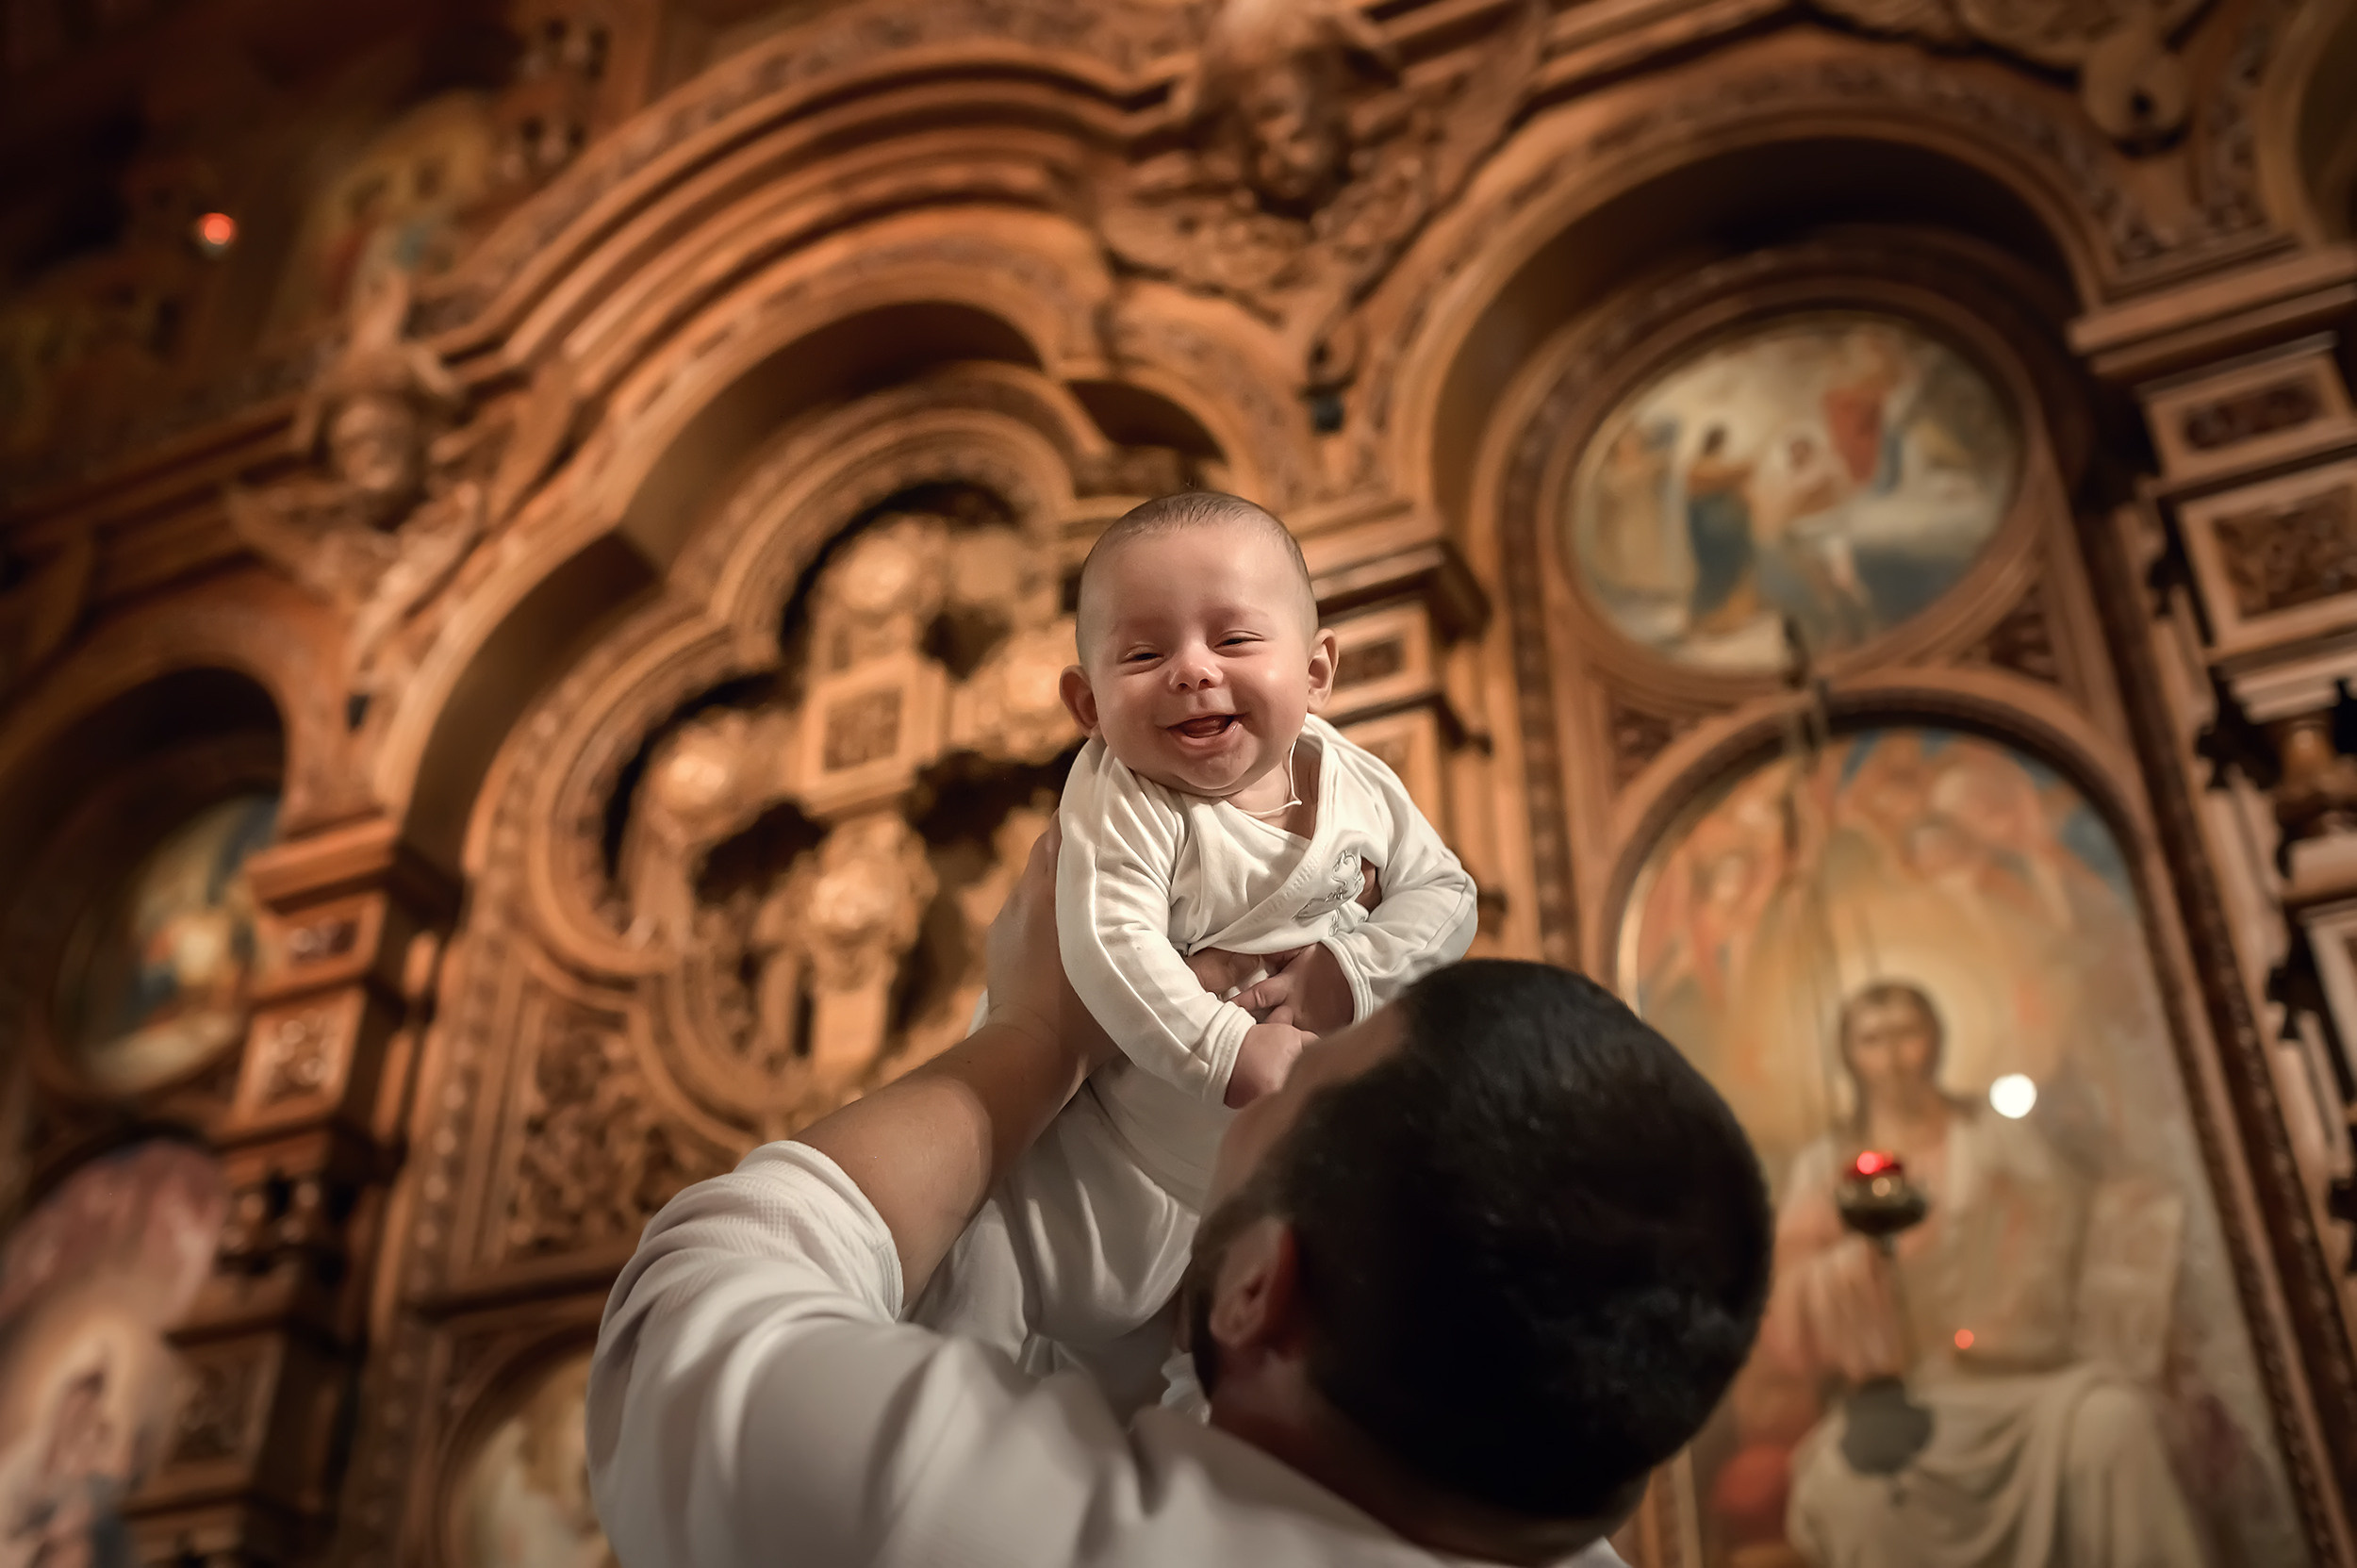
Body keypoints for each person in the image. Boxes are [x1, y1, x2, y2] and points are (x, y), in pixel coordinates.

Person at [586, 821, 1774, 1566]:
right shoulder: (1505, 1478)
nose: (1255, 1057)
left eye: (1288, 1091)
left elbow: (681, 1333)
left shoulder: (1010, 1527)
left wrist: (1033, 1035)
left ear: (1262, 1286)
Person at [913, 491, 1477, 1403]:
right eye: (1144, 654)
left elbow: (1447, 896)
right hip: (1108, 1144)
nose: (1191, 670)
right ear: (1086, 704)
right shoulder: (1126, 798)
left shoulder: (1358, 783)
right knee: (984, 1303)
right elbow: (1108, 944)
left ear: (1318, 668)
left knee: (1230, 1377)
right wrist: (1228, 1047)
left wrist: (1352, 969)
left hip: (1256, 1167)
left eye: (1235, 640)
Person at [1725, 982, 2206, 1568]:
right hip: (1906, 1397)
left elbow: (2058, 1238)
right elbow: (1788, 1296)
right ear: (1849, 1054)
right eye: (1873, 1039)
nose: (1895, 1055)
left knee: (2114, 1427)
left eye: (1908, 1033)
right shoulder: (1827, 1164)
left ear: (1935, 1040)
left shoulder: (1994, 1135)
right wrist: (1859, 1268)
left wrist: (2009, 1316)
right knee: (1851, 1493)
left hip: (2021, 1381)